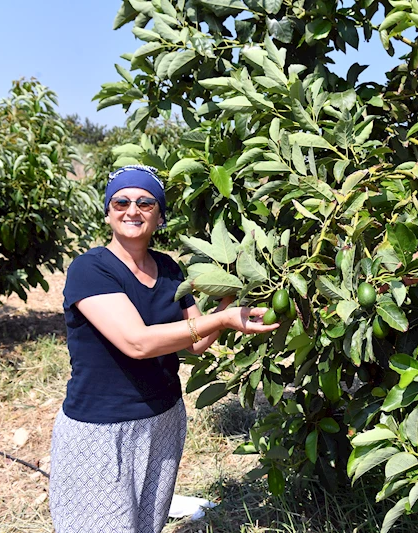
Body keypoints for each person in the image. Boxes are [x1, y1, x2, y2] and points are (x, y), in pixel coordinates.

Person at [49, 165, 279, 533]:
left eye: (145, 202)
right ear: (108, 211)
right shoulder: (90, 269)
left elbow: (197, 341)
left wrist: (230, 301)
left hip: (163, 418)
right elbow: (136, 342)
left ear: (159, 215)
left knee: (145, 525)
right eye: (121, 201)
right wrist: (221, 320)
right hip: (103, 429)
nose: (132, 210)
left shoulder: (170, 269)